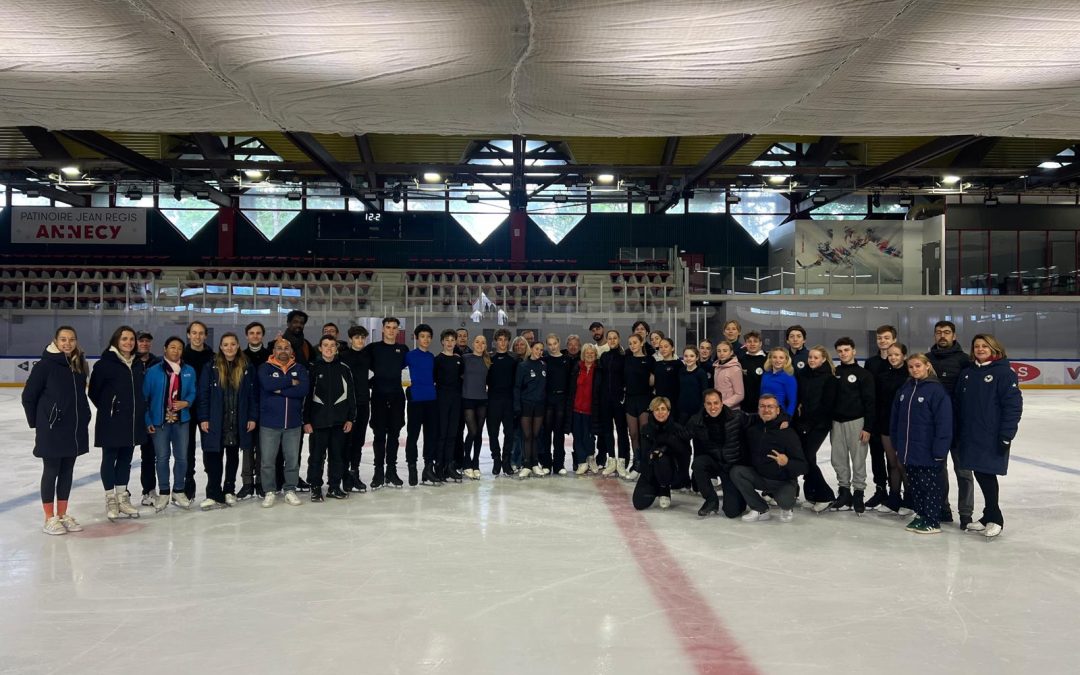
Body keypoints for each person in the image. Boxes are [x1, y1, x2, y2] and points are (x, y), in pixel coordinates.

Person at [23, 326, 92, 535]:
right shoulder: (44, 366)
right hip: (52, 428)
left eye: (71, 339)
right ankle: (49, 518)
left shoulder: (78, 364)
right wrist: (40, 423)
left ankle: (62, 515)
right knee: (51, 471)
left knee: (67, 471)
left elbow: (80, 395)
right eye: (63, 339)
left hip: (73, 427)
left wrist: (85, 415)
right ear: (55, 341)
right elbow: (28, 397)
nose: (67, 343)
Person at [955, 335, 1023, 538]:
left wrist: (1006, 435)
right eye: (976, 346)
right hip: (970, 434)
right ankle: (987, 516)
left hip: (991, 435)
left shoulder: (1003, 373)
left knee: (987, 474)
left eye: (985, 346)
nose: (980, 349)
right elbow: (959, 403)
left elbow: (1013, 407)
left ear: (994, 348)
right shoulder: (968, 373)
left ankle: (996, 517)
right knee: (979, 472)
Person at [890, 353, 953, 534]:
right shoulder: (905, 389)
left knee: (930, 486)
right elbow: (896, 418)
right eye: (911, 367)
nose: (914, 370)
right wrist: (897, 442)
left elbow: (944, 423)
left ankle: (933, 519)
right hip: (909, 450)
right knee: (915, 485)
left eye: (918, 366)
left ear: (927, 366)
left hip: (928, 450)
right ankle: (921, 514)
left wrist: (940, 449)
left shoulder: (936, 391)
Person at [89, 325, 146, 520]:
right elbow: (94, 392)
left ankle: (122, 497)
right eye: (124, 339)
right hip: (112, 420)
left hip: (132, 421)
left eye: (131, 339)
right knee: (109, 458)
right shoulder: (104, 364)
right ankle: (110, 498)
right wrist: (110, 408)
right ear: (116, 341)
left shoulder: (137, 364)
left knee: (125, 460)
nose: (128, 342)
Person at [197, 333, 258, 510]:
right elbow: (204, 394)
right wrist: (204, 417)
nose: (229, 348)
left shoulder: (247, 367)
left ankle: (229, 490)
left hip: (237, 419)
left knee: (232, 456)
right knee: (214, 457)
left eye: (233, 344)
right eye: (226, 344)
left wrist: (252, 417)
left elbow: (253, 395)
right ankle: (213, 493)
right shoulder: (211, 366)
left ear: (238, 346)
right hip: (217, 420)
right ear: (221, 347)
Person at [927, 320, 975, 528]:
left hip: (959, 426)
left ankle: (966, 513)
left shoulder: (965, 361)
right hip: (935, 427)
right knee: (938, 470)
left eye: (946, 332)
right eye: (938, 333)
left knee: (964, 472)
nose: (942, 336)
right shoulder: (926, 360)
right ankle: (942, 508)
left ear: (954, 336)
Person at [732, 394, 808, 523]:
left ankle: (787, 506)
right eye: (762, 406)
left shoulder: (787, 433)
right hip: (760, 477)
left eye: (770, 407)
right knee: (736, 472)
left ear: (778, 410)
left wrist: (787, 462)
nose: (766, 409)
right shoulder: (753, 430)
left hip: (782, 481)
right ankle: (760, 508)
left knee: (786, 503)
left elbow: (803, 466)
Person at [143, 336, 197, 512]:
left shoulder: (189, 370)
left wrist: (186, 402)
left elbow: (193, 392)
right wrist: (148, 420)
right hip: (160, 422)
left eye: (179, 348)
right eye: (172, 347)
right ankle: (164, 491)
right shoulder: (153, 371)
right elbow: (145, 398)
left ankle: (179, 490)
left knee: (182, 457)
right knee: (162, 457)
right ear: (165, 349)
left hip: (181, 421)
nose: (176, 351)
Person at [257, 337, 309, 508]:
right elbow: (266, 384)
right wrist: (289, 383)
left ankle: (290, 489)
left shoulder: (299, 368)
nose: (283, 351)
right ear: (274, 351)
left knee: (292, 460)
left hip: (293, 424)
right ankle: (270, 491)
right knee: (267, 461)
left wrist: (278, 389)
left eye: (286, 348)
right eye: (279, 348)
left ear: (291, 351)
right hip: (269, 423)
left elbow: (303, 389)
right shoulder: (265, 368)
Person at [304, 335, 357, 501]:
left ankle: (334, 486)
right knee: (316, 457)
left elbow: (351, 396)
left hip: (339, 421)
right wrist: (306, 421)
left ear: (336, 348)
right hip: (318, 422)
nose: (329, 348)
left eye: (332, 345)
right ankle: (315, 487)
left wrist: (350, 418)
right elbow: (306, 397)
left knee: (337, 456)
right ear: (320, 348)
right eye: (325, 345)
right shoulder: (312, 368)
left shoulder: (344, 369)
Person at [828, 337, 876, 514]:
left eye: (846, 350)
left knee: (858, 460)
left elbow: (870, 403)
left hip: (857, 422)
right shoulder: (834, 372)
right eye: (840, 351)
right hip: (836, 423)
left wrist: (868, 427)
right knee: (838, 459)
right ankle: (844, 492)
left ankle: (858, 493)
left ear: (854, 351)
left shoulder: (864, 375)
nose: (843, 354)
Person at [364, 317, 409, 490]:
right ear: (382, 329)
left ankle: (391, 471)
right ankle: (378, 472)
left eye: (394, 328)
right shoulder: (373, 348)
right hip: (378, 397)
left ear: (398, 330)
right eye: (388, 327)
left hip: (397, 396)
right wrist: (371, 383)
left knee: (395, 435)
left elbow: (409, 370)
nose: (391, 330)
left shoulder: (403, 349)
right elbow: (362, 366)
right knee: (379, 435)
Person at [688, 389, 745, 518]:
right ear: (704, 405)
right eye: (709, 403)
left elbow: (758, 421)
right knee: (698, 463)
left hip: (731, 467)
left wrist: (783, 418)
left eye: (716, 403)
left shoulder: (737, 417)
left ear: (721, 403)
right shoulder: (697, 421)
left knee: (732, 512)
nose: (713, 407)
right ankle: (711, 500)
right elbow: (681, 435)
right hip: (714, 462)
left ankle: (740, 497)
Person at [794, 345, 838, 511]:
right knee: (808, 459)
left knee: (807, 457)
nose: (812, 360)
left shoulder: (829, 379)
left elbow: (826, 406)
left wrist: (809, 424)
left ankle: (825, 495)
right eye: (810, 357)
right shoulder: (804, 375)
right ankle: (812, 495)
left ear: (823, 359)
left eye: (816, 357)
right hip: (803, 422)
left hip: (819, 425)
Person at [872, 342, 911, 515]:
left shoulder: (910, 375)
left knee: (904, 464)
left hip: (904, 426)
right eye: (890, 355)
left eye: (896, 354)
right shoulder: (883, 375)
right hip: (886, 425)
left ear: (903, 355)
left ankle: (910, 499)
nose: (893, 358)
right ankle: (894, 497)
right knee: (893, 464)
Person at [633, 397, 691, 510]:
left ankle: (664, 488)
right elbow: (645, 455)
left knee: (662, 458)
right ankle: (657, 484)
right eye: (657, 409)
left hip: (672, 470)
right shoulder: (646, 429)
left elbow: (685, 452)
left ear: (668, 411)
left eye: (663, 409)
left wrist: (664, 449)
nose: (660, 413)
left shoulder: (677, 428)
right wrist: (652, 453)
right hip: (651, 468)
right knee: (639, 503)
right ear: (653, 411)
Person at [863, 324, 898, 510]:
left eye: (886, 337)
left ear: (894, 339)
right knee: (876, 457)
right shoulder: (871, 363)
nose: (882, 341)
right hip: (875, 419)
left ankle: (897, 493)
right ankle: (880, 490)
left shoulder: (898, 363)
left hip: (893, 420)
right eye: (879, 338)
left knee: (895, 460)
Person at [182, 320, 214, 501]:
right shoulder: (182, 355)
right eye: (194, 333)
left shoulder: (212, 356)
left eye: (201, 333)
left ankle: (212, 484)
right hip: (186, 409)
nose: (197, 336)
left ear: (206, 336)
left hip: (207, 410)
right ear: (188, 335)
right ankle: (188, 484)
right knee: (187, 450)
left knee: (209, 448)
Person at [405, 324, 440, 486]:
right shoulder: (409, 356)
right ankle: (412, 467)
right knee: (413, 436)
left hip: (432, 401)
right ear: (417, 338)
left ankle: (428, 467)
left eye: (428, 336)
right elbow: (392, 369)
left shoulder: (432, 357)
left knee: (430, 436)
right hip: (415, 401)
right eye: (422, 336)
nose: (425, 339)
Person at [338, 326, 371, 493]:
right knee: (346, 442)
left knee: (358, 442)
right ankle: (344, 475)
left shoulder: (367, 356)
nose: (360, 341)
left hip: (364, 404)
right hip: (346, 407)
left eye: (363, 338)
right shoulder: (342, 357)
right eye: (357, 338)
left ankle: (354, 472)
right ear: (350, 339)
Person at [623, 333, 655, 480]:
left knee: (644, 434)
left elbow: (654, 379)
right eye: (630, 343)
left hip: (644, 399)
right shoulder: (627, 360)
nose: (632, 345)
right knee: (633, 434)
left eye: (635, 342)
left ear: (641, 343)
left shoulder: (649, 360)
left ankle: (646, 463)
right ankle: (637, 463)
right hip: (630, 400)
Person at [597, 330, 629, 476]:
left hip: (619, 399)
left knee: (622, 431)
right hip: (605, 400)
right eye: (609, 338)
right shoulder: (604, 356)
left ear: (619, 339)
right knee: (607, 430)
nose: (612, 340)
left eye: (615, 338)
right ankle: (611, 460)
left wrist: (623, 394)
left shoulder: (624, 357)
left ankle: (622, 461)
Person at [435, 329, 465, 483]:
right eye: (447, 340)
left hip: (456, 400)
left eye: (452, 340)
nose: (449, 343)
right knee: (442, 434)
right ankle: (439, 466)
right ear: (442, 342)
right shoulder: (437, 360)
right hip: (442, 400)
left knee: (453, 434)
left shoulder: (459, 360)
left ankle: (449, 465)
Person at [486, 328, 517, 476]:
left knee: (509, 433)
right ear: (495, 341)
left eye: (505, 340)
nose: (503, 343)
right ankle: (496, 459)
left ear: (508, 342)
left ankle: (506, 460)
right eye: (500, 340)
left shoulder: (514, 359)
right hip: (492, 401)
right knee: (493, 432)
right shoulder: (488, 359)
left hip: (509, 401)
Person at [514, 341, 548, 478]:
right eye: (536, 349)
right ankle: (527, 464)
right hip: (526, 405)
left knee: (535, 435)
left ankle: (535, 463)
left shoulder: (544, 365)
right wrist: (517, 406)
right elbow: (517, 387)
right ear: (531, 349)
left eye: (541, 350)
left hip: (539, 405)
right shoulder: (523, 366)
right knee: (527, 436)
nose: (539, 352)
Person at [134, 332, 160, 505]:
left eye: (147, 341)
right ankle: (122, 492)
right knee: (124, 457)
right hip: (131, 416)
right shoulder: (129, 362)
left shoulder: (157, 363)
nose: (144, 344)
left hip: (151, 415)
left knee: (149, 455)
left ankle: (149, 490)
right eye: (141, 341)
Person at [568, 343, 602, 474]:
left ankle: (590, 457)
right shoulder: (577, 368)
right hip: (576, 409)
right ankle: (582, 461)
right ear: (583, 354)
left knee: (589, 436)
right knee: (578, 435)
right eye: (587, 352)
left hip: (591, 409)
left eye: (592, 352)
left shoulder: (598, 369)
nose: (589, 354)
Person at [543, 333, 573, 474]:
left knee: (559, 433)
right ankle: (546, 463)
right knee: (547, 433)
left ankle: (559, 464)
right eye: (549, 344)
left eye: (554, 343)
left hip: (562, 399)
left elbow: (570, 383)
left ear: (559, 343)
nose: (552, 347)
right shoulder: (544, 360)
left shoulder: (567, 360)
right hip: (548, 400)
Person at [462, 335, 490, 479]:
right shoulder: (465, 358)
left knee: (478, 433)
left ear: (486, 345)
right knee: (472, 431)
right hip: (467, 399)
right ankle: (466, 462)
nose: (480, 344)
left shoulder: (488, 361)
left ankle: (475, 463)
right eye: (477, 341)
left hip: (482, 400)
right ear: (473, 343)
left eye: (483, 342)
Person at [676, 346, 710, 426]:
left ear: (697, 357)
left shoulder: (701, 373)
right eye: (686, 356)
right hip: (682, 409)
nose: (688, 358)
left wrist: (701, 411)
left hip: (696, 410)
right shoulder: (681, 371)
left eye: (691, 356)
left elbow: (705, 392)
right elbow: (678, 390)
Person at [760, 347, 797, 417]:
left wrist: (787, 419)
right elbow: (761, 396)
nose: (777, 360)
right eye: (774, 357)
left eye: (781, 358)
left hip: (779, 415)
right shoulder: (765, 375)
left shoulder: (789, 378)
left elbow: (792, 402)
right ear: (770, 359)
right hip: (763, 413)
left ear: (786, 360)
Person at [737, 331, 767, 414]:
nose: (752, 344)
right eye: (749, 341)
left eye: (755, 341)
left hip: (763, 405)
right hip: (744, 406)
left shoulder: (767, 360)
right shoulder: (740, 360)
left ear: (760, 343)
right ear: (746, 344)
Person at [712, 340, 744, 410]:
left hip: (731, 410)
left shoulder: (735, 369)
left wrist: (722, 405)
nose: (721, 353)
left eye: (725, 351)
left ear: (731, 352)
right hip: (718, 409)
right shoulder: (716, 367)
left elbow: (740, 395)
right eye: (719, 351)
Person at [652, 337, 681, 412]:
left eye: (666, 346)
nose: (663, 349)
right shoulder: (656, 364)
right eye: (660, 347)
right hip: (659, 401)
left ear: (672, 348)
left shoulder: (678, 364)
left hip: (674, 401)